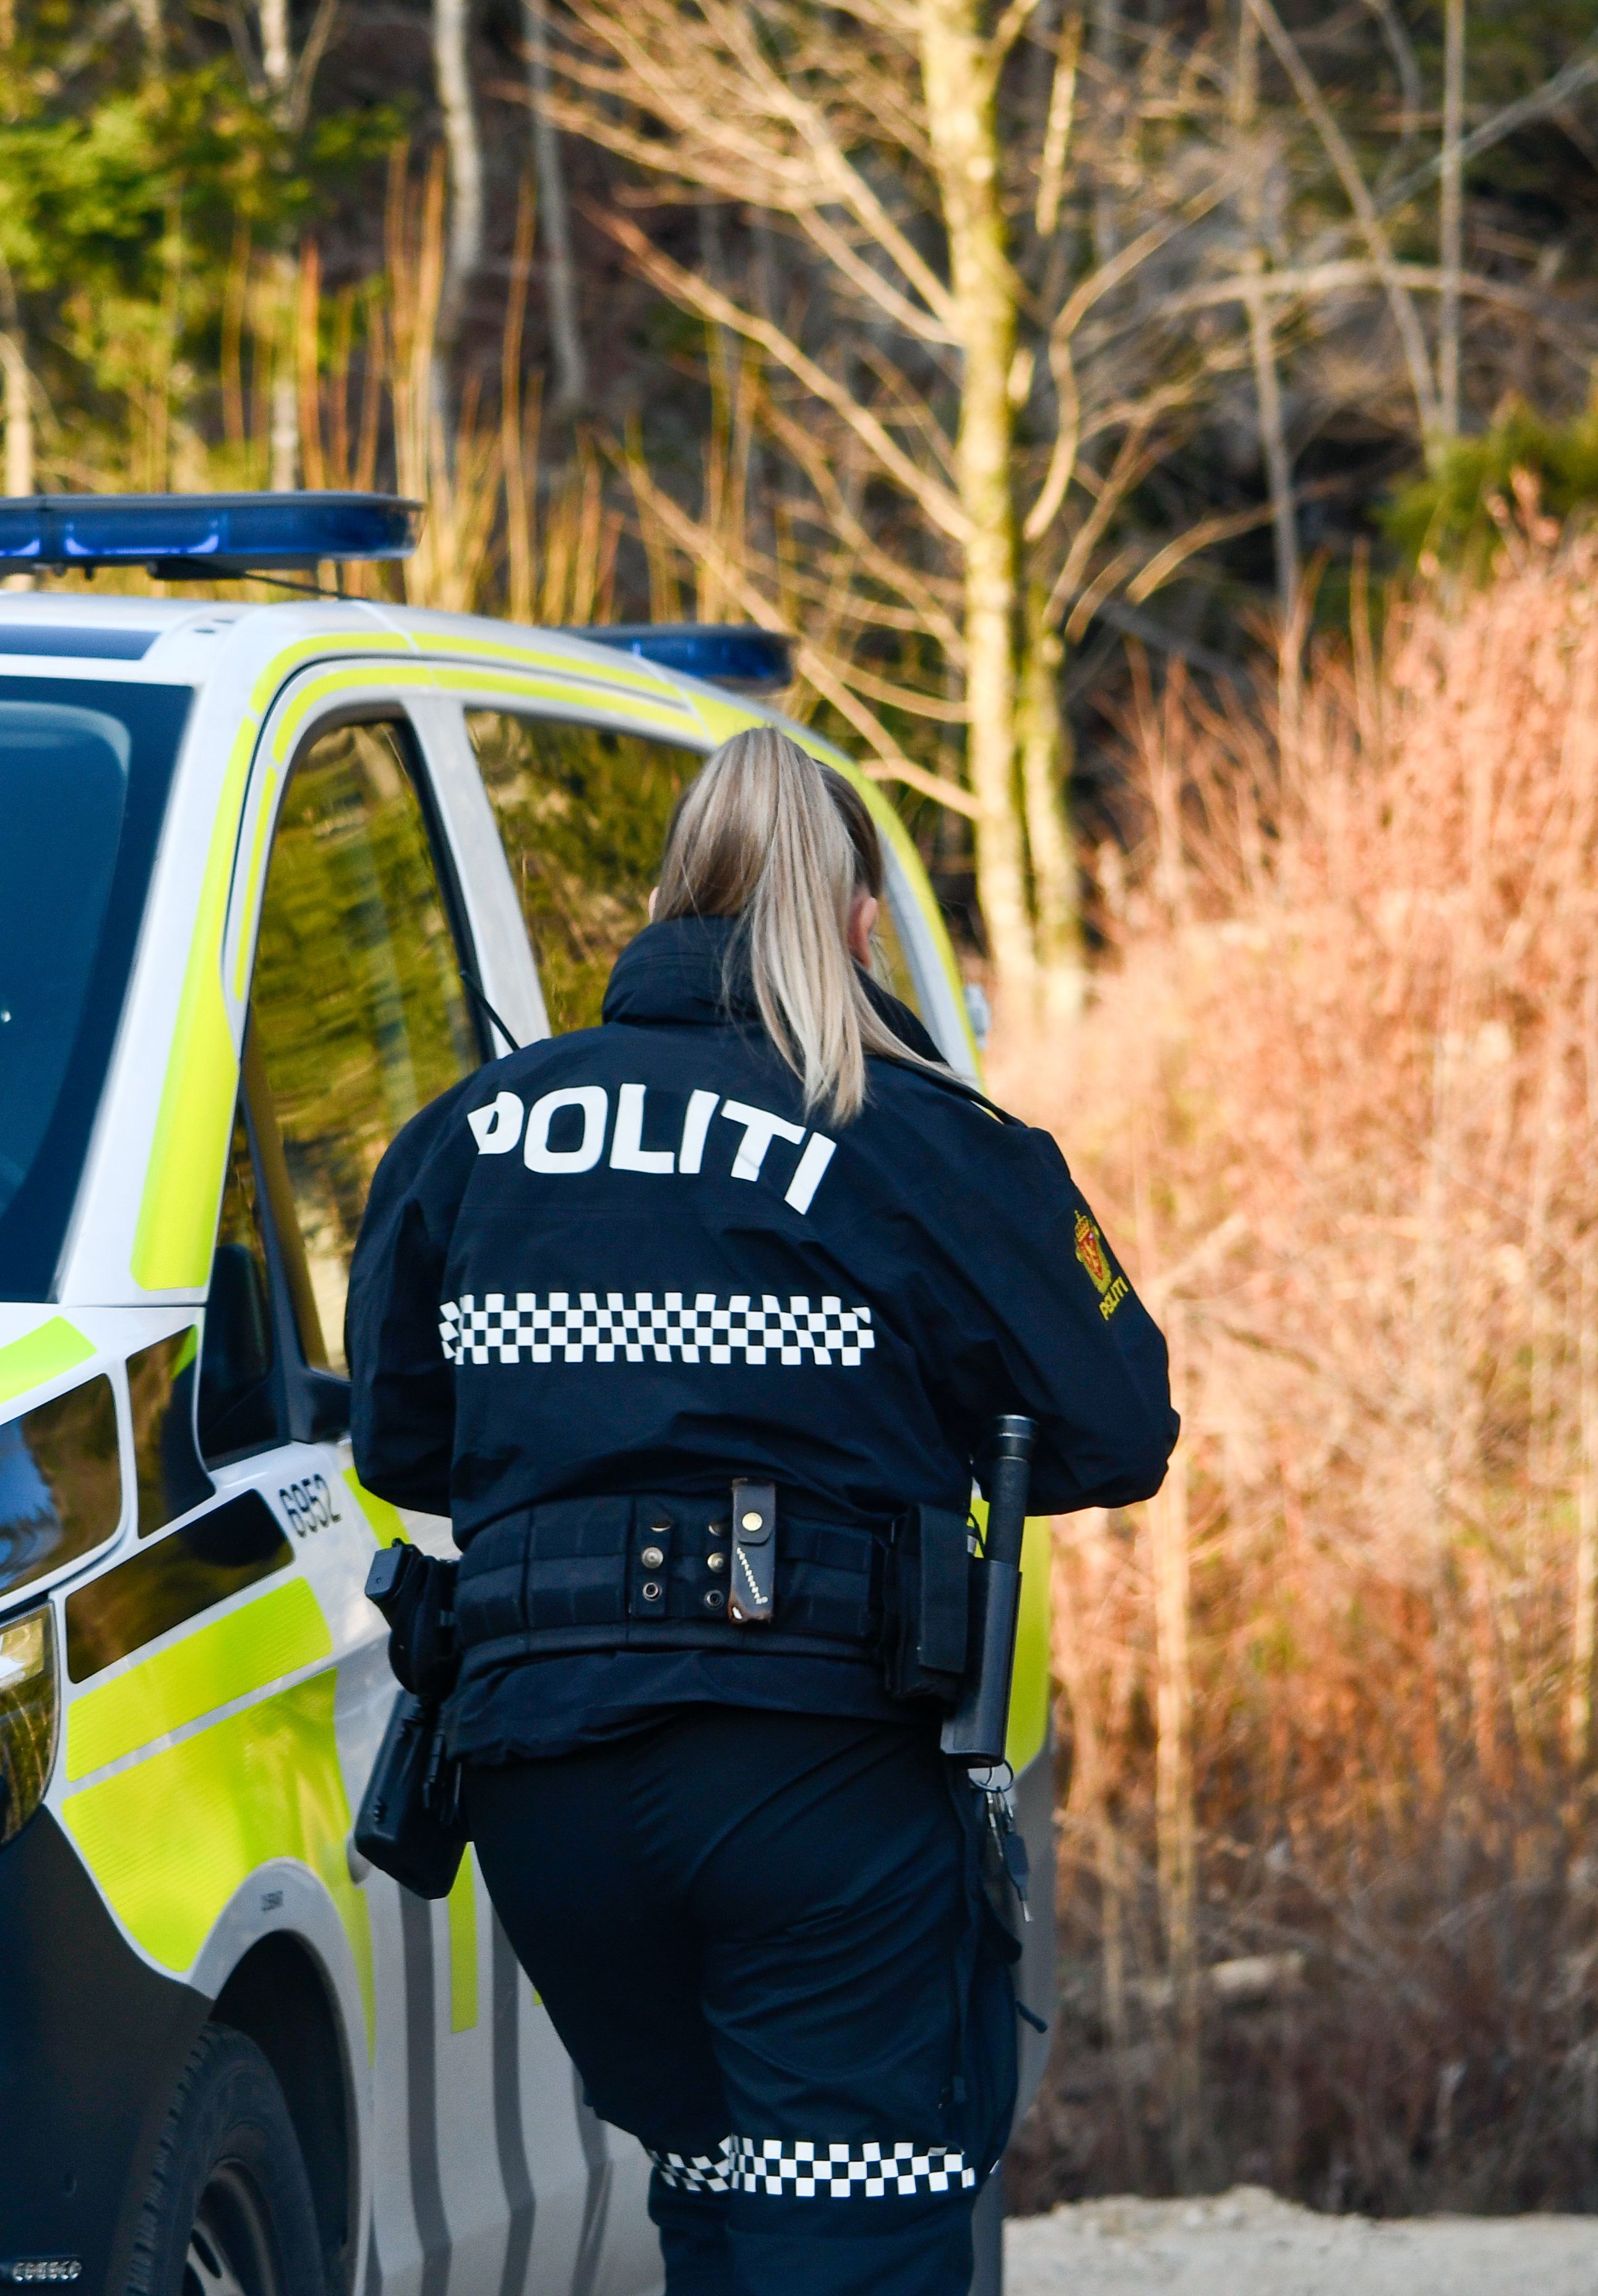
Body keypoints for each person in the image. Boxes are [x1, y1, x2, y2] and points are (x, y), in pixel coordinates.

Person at [345, 726, 1179, 2295]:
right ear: (857, 922)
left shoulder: (470, 1133)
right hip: (815, 1783)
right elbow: (1119, 1424)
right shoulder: (920, 1130)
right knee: (850, 2220)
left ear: (673, 898)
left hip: (545, 1786)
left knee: (723, 2200)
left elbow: (404, 1437)